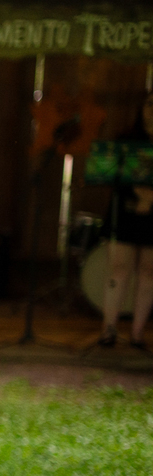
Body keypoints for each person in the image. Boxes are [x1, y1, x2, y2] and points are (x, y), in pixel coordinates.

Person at [99, 93, 153, 349]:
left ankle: (137, 334)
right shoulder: (126, 140)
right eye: (150, 103)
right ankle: (108, 330)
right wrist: (139, 194)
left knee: (149, 272)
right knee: (119, 269)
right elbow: (112, 175)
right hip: (125, 212)